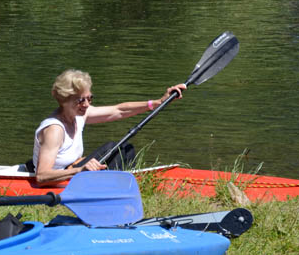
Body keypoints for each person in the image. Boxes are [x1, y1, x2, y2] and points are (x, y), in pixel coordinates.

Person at [32, 69, 186, 184]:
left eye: (89, 98)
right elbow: (41, 176)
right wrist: (79, 170)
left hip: (73, 171)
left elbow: (119, 110)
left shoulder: (79, 115)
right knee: (114, 147)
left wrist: (158, 102)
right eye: (80, 100)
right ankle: (113, 188)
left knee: (126, 149)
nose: (86, 105)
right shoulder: (54, 130)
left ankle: (115, 186)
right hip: (62, 179)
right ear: (64, 100)